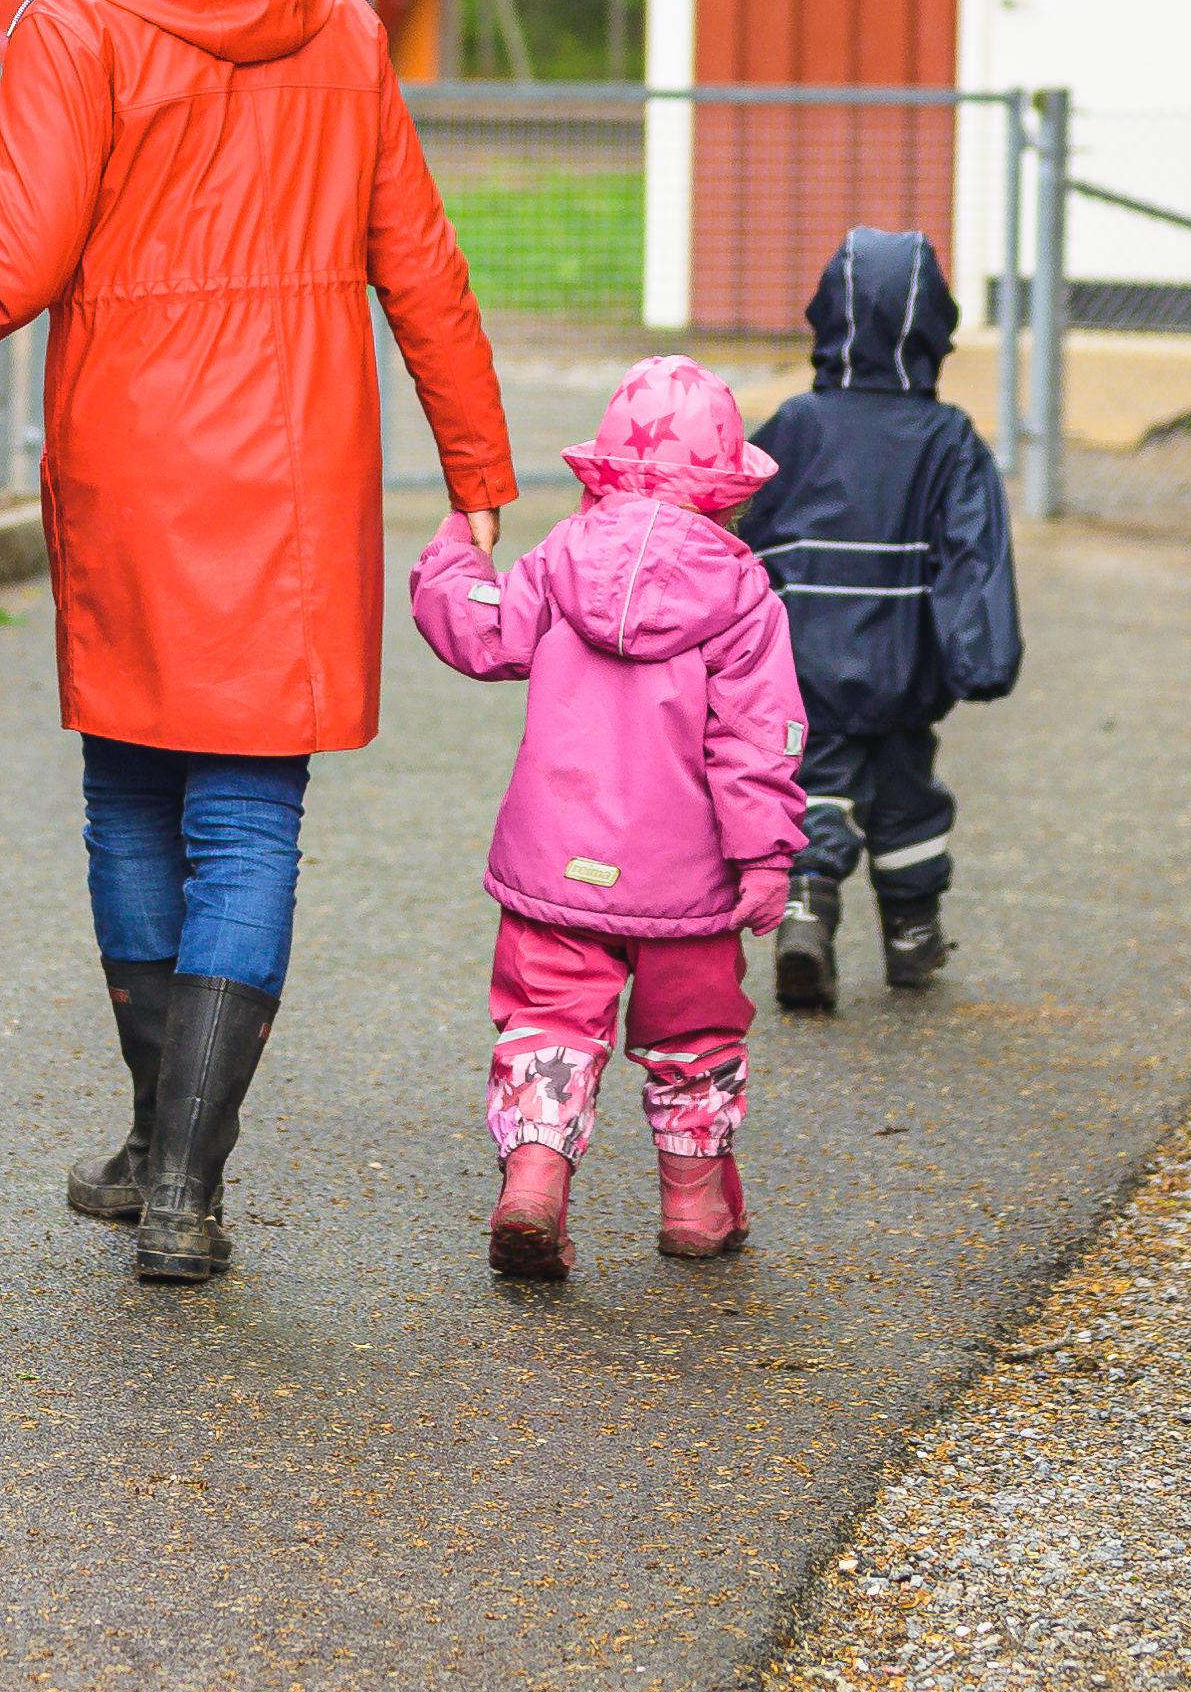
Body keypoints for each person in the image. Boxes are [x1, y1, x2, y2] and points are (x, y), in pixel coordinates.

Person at [0, 0, 519, 1287]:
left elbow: (6, 272)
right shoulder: (340, 24)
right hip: (296, 470)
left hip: (136, 461)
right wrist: (477, 469)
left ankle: (161, 1149)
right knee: (250, 816)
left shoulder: (76, 26)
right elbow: (419, 258)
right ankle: (187, 1182)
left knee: (132, 802)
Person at [410, 357, 807, 1279]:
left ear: (603, 470)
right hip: (690, 884)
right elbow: (758, 739)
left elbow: (481, 630)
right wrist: (765, 857)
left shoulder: (559, 558)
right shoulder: (743, 596)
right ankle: (697, 1206)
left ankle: (537, 1182)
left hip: (556, 866)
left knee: (548, 1020)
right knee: (694, 1038)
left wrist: (454, 556)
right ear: (728, 489)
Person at [734, 227, 1023, 1009]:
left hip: (805, 664)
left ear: (826, 318)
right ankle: (911, 937)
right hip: (905, 666)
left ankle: (805, 910)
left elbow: (733, 524)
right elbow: (975, 556)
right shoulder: (949, 439)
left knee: (814, 785)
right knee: (906, 797)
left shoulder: (795, 424)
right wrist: (981, 657)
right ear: (937, 327)